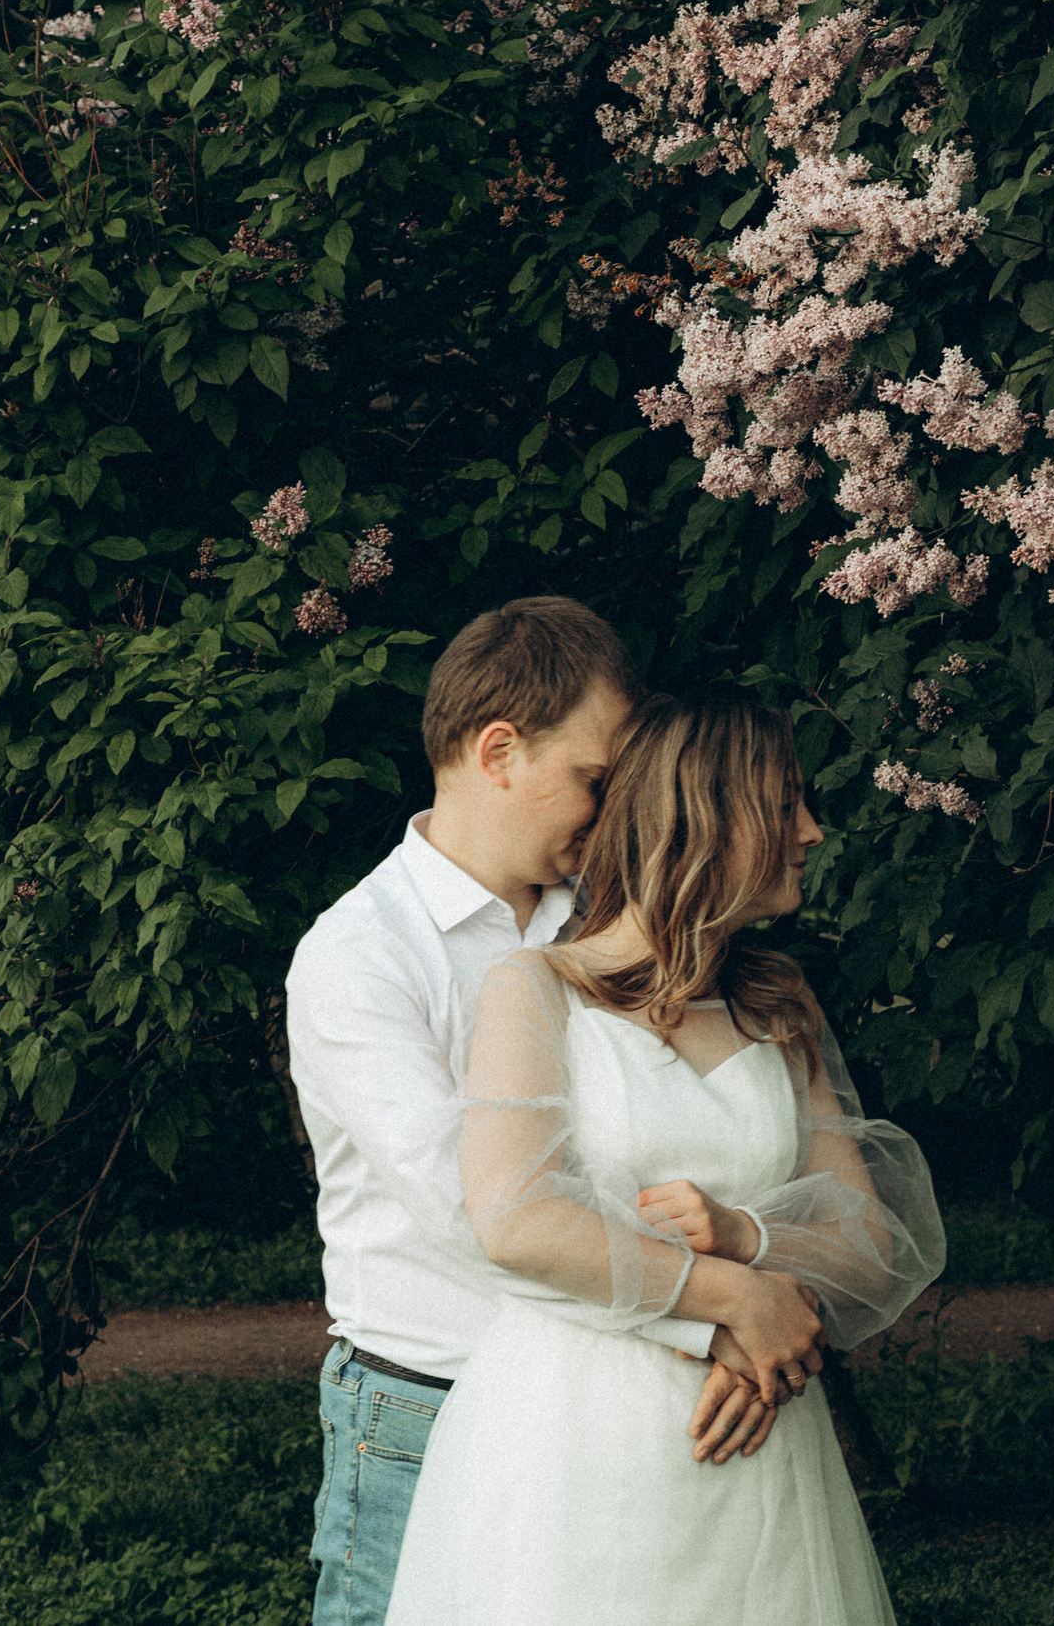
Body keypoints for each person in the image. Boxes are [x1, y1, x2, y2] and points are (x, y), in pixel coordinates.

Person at [286, 601, 829, 1626]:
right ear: (499, 751)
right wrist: (714, 1312)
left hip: (608, 1407)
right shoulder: (359, 958)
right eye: (593, 777)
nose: (614, 804)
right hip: (427, 1405)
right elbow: (475, 1211)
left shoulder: (600, 931)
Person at [384, 690, 947, 1626]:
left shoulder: (780, 1004)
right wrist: (735, 1300)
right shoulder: (536, 991)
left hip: (760, 1450)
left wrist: (749, 1237)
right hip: (574, 1446)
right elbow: (517, 1221)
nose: (812, 830)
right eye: (785, 803)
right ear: (708, 815)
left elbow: (869, 1242)